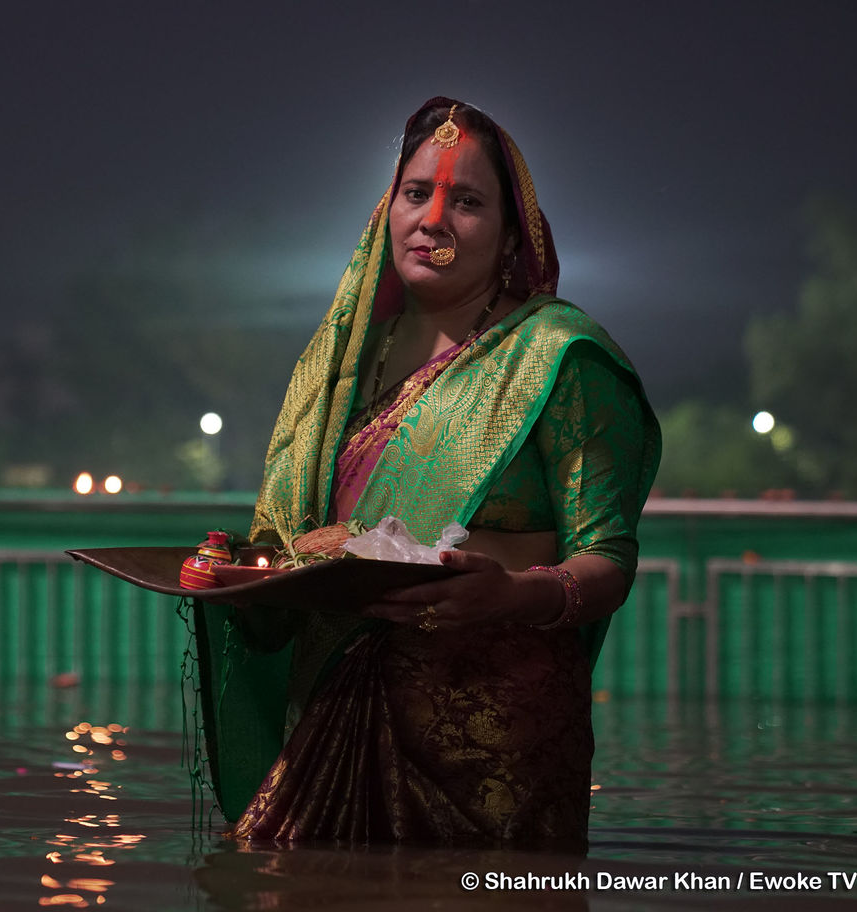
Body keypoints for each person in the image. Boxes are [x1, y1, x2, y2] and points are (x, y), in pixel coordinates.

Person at [193, 96, 661, 849]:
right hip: (332, 715)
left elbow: (608, 561)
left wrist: (512, 595)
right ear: (388, 209)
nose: (433, 220)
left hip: (492, 751)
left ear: (513, 235)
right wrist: (237, 574)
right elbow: (290, 544)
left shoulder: (558, 358)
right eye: (417, 193)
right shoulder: (343, 365)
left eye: (467, 201)